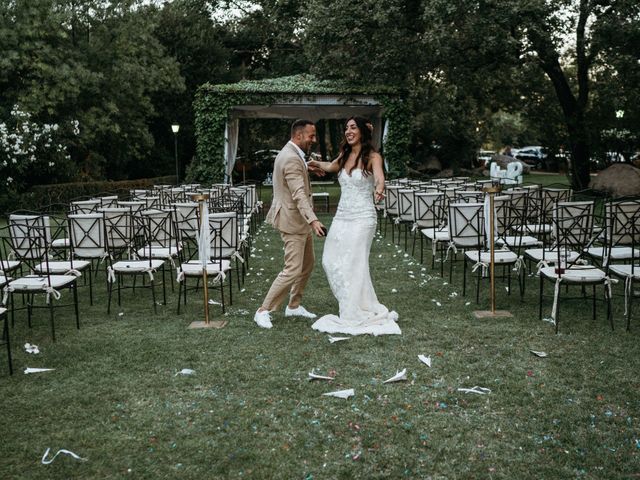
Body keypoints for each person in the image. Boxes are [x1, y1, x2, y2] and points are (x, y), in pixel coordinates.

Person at [307, 117, 401, 336]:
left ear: (362, 132)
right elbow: (331, 166)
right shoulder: (345, 154)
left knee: (354, 263)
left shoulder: (373, 156)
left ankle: (354, 310)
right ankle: (353, 302)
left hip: (363, 218)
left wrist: (379, 189)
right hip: (342, 216)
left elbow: (379, 178)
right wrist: (313, 164)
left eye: (353, 128)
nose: (348, 132)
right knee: (329, 259)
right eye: (346, 128)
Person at [253, 119, 327, 329]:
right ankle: (263, 310)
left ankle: (293, 305)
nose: (314, 139)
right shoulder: (291, 158)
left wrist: (308, 169)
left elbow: (295, 172)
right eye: (311, 136)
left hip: (298, 220)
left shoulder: (292, 153)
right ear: (298, 136)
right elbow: (299, 195)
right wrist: (313, 220)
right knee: (293, 269)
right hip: (294, 220)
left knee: (307, 264)